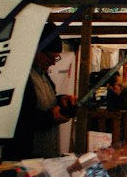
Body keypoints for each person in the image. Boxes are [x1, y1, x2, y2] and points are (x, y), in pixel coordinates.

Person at [6, 23, 76, 160]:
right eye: (51, 57)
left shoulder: (42, 74)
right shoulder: (18, 76)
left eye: (56, 58)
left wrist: (61, 99)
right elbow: (16, 116)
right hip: (24, 157)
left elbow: (43, 102)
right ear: (37, 51)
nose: (54, 62)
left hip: (45, 156)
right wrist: (50, 118)